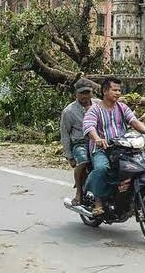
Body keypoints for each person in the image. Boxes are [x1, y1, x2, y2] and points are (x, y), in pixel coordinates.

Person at [82, 77, 145, 216]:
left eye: (119, 90)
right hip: (102, 149)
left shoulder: (122, 108)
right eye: (114, 90)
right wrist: (97, 138)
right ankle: (98, 202)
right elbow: (89, 126)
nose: (117, 93)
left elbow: (133, 121)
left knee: (142, 164)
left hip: (122, 147)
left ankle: (131, 194)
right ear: (104, 91)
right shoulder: (94, 110)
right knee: (102, 168)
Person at [60, 78, 100, 206]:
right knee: (83, 161)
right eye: (82, 93)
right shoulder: (69, 111)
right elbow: (65, 134)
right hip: (80, 143)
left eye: (87, 92)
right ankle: (78, 192)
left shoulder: (99, 105)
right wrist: (69, 156)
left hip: (98, 140)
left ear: (92, 92)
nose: (85, 96)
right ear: (76, 93)